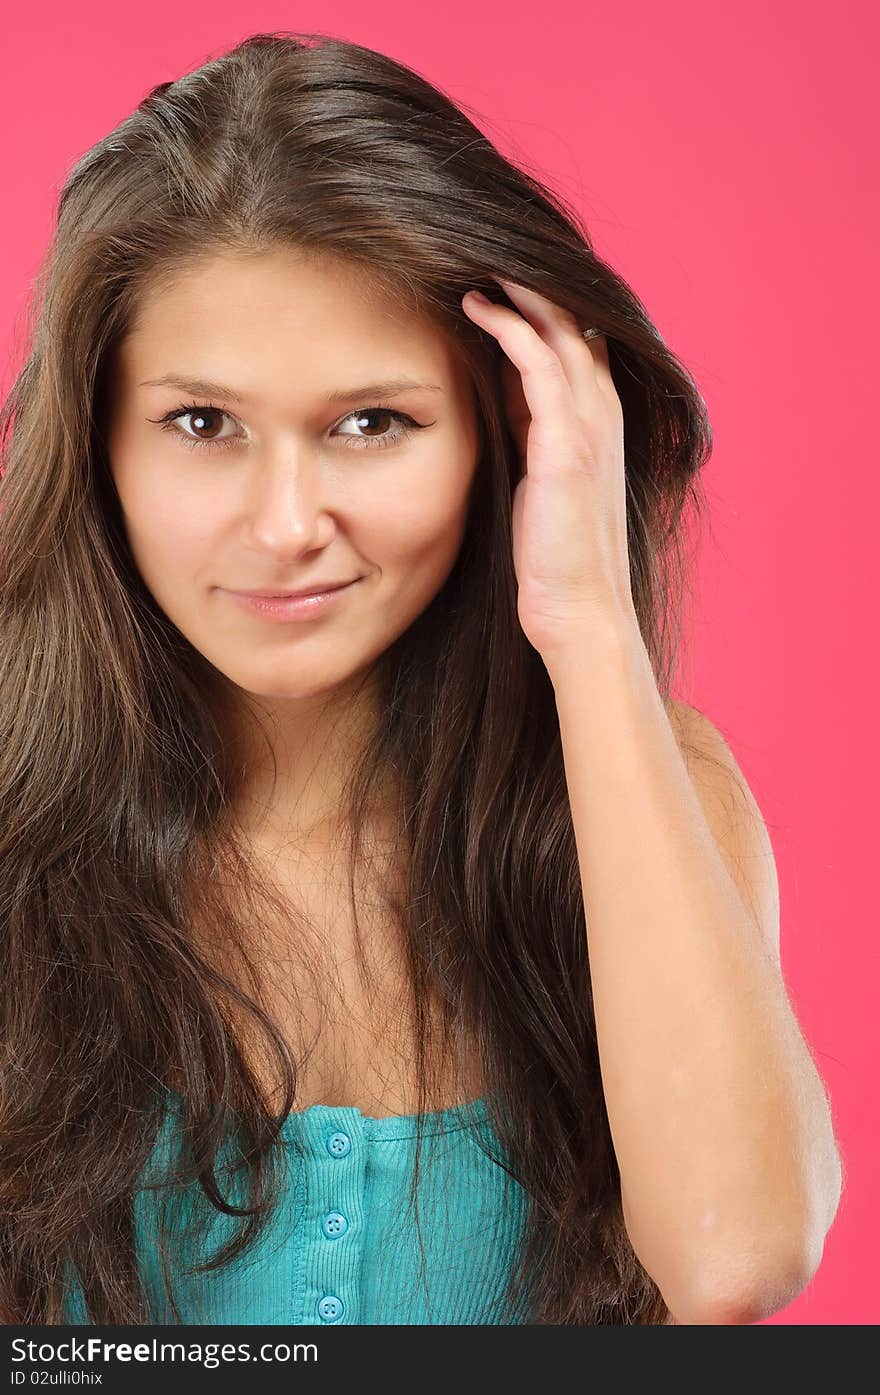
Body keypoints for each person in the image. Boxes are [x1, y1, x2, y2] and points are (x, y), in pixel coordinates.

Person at [0, 31, 841, 1327]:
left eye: (369, 423)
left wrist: (589, 626)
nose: (286, 524)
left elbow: (737, 1258)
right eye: (203, 424)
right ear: (97, 438)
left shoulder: (640, 795)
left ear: (502, 431)